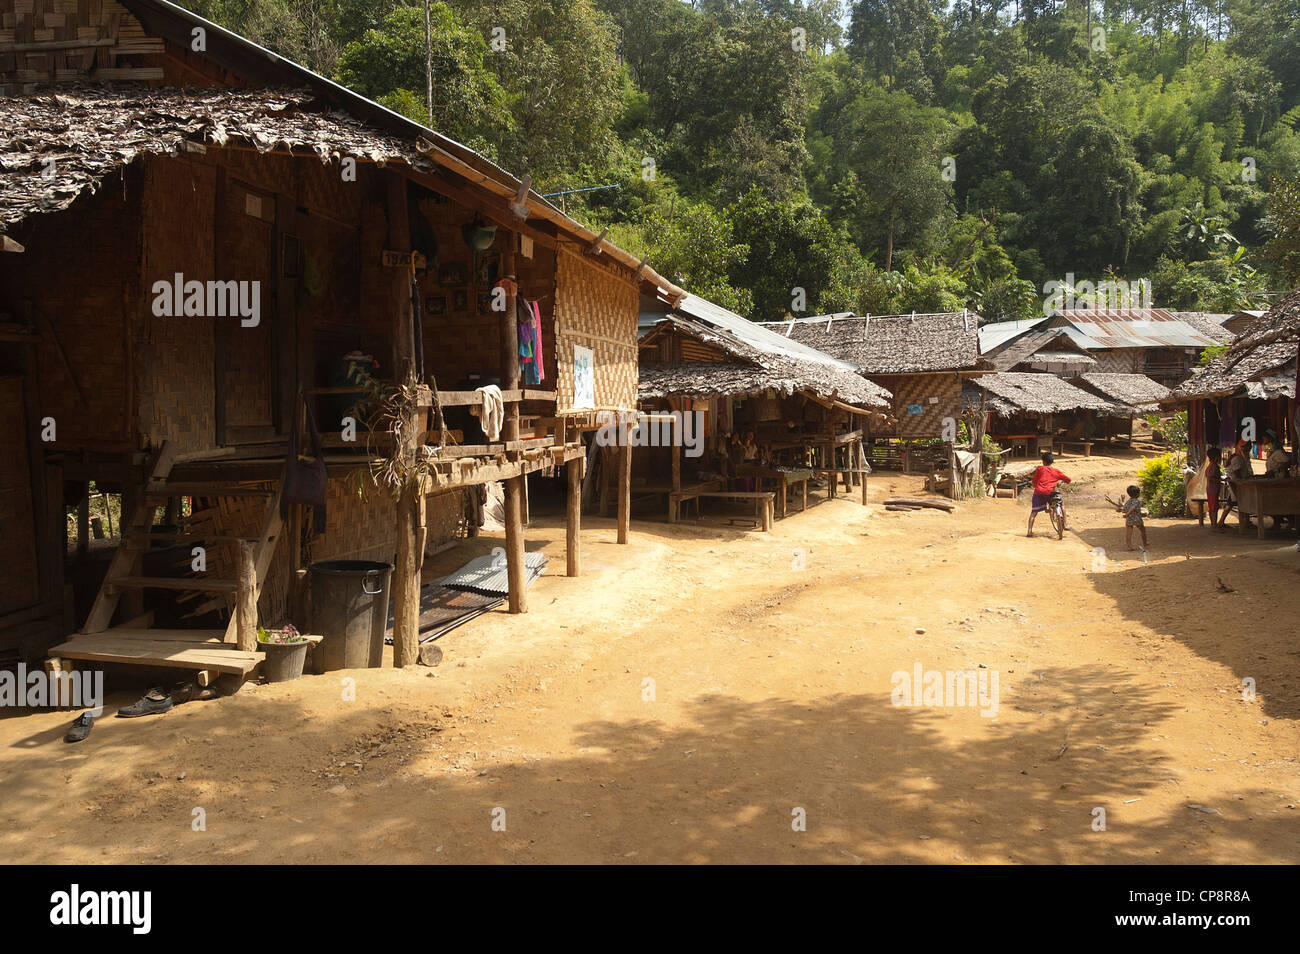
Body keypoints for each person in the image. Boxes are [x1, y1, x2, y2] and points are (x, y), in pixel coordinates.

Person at [1027, 451, 1071, 537]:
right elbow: (1068, 480)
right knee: (1062, 505)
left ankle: (1029, 531)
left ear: (1043, 461)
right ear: (1052, 461)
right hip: (1051, 492)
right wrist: (1063, 481)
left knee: (1033, 513)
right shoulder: (1056, 471)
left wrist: (1038, 487)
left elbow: (1034, 482)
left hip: (1039, 492)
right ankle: (1065, 524)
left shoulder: (1039, 469)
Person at [1122, 484, 1148, 551]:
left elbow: (1124, 509)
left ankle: (1129, 546)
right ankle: (1145, 543)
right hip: (1137, 518)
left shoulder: (1128, 502)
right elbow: (1133, 508)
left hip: (1129, 519)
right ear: (1137, 494)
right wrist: (1127, 514)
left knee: (1128, 533)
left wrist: (1126, 514)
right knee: (1143, 530)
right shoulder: (1137, 501)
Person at [1204, 446, 1224, 532]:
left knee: (1212, 507)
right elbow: (1211, 477)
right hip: (1213, 489)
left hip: (1210, 489)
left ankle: (1213, 525)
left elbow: (1206, 475)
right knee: (1214, 508)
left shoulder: (1210, 465)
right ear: (1216, 457)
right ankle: (1214, 525)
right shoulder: (1214, 466)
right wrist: (1219, 479)